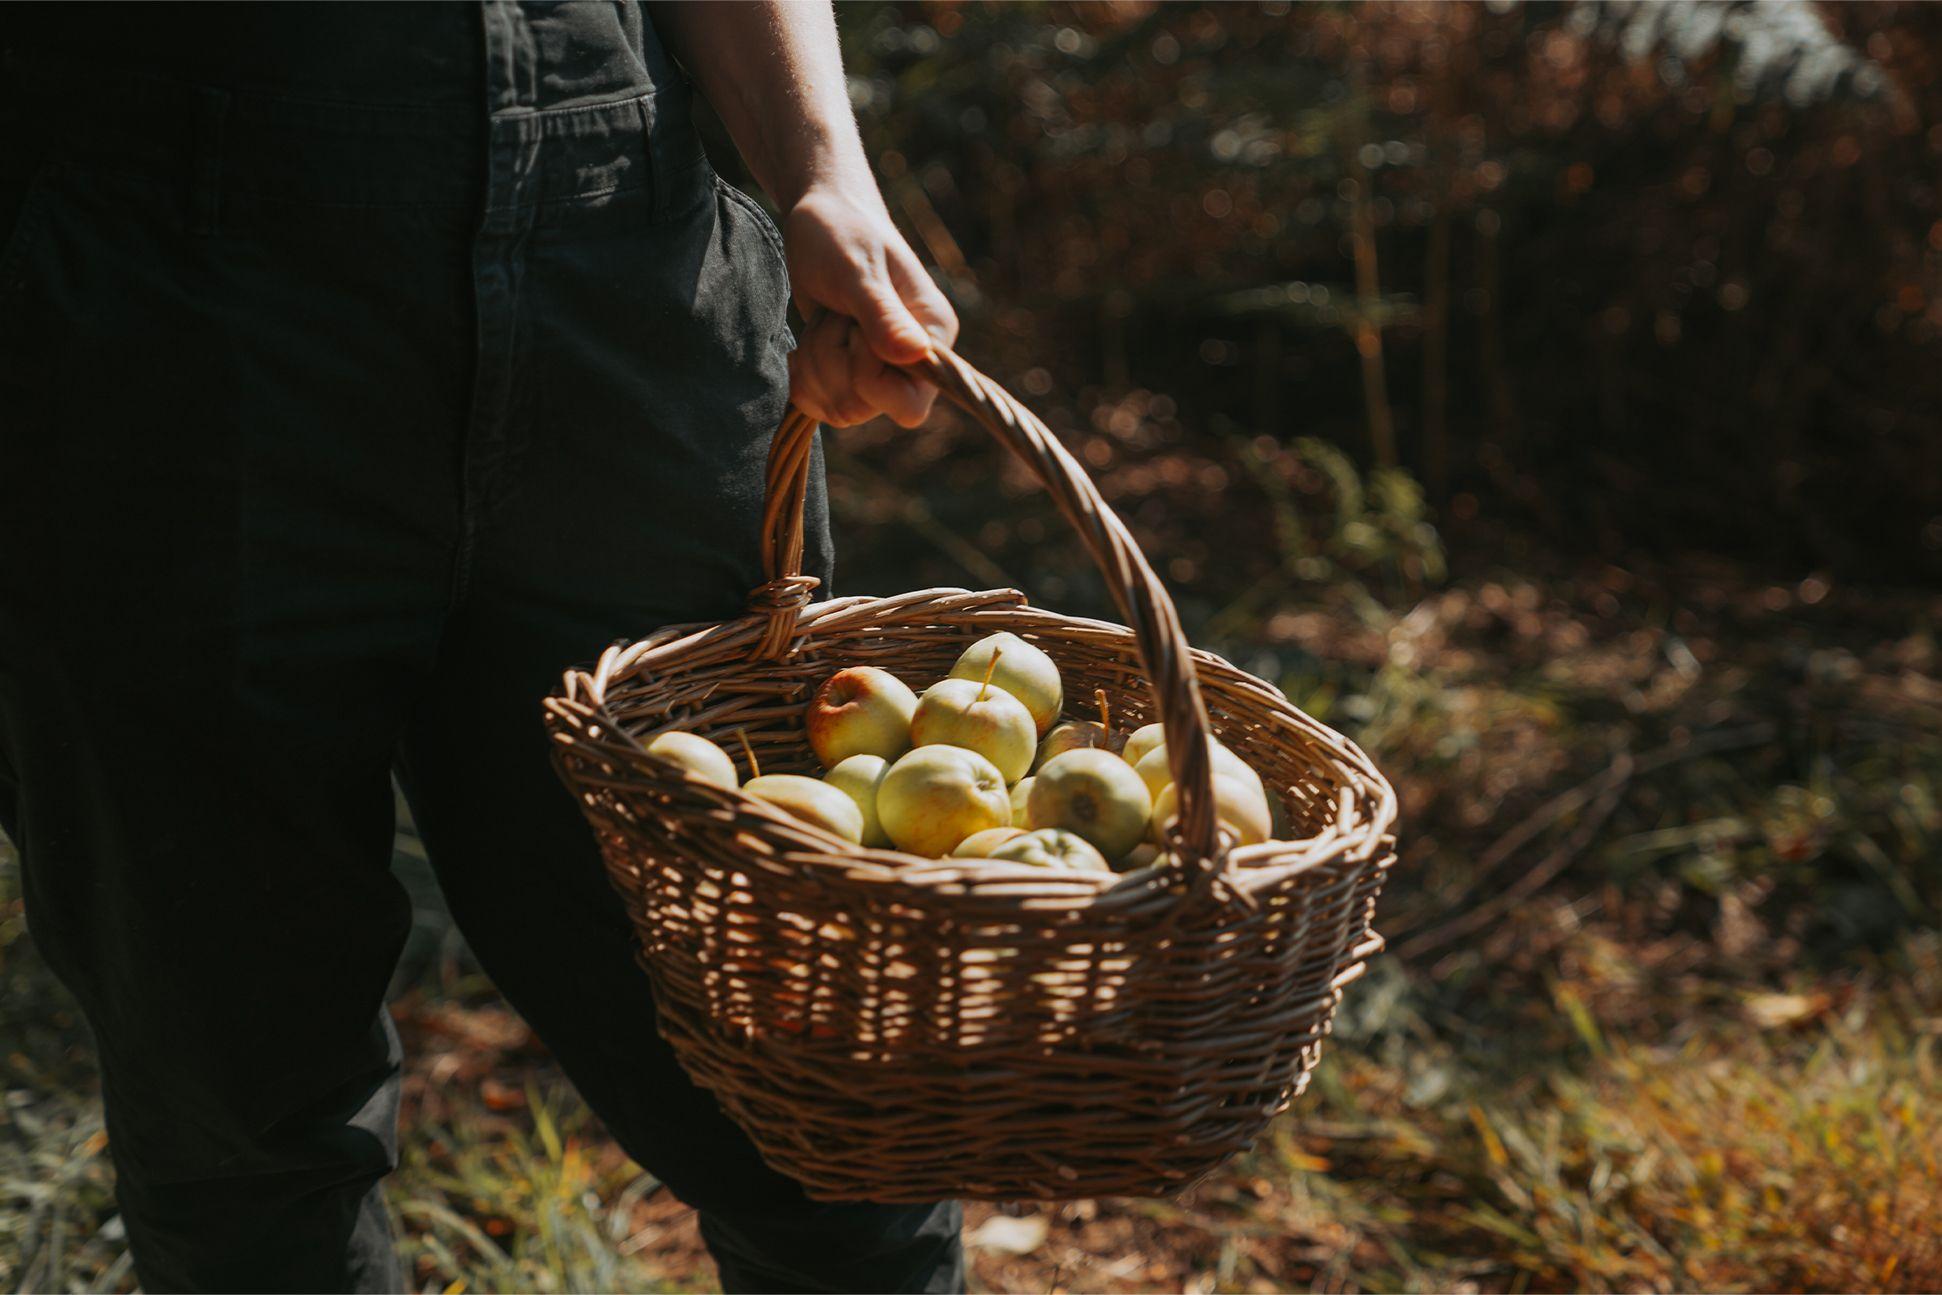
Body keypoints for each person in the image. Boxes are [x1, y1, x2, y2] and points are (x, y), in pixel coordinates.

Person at [0, 2, 961, 1290]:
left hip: (630, 259)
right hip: (159, 299)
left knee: (808, 1065)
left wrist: (823, 171)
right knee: (243, 1119)